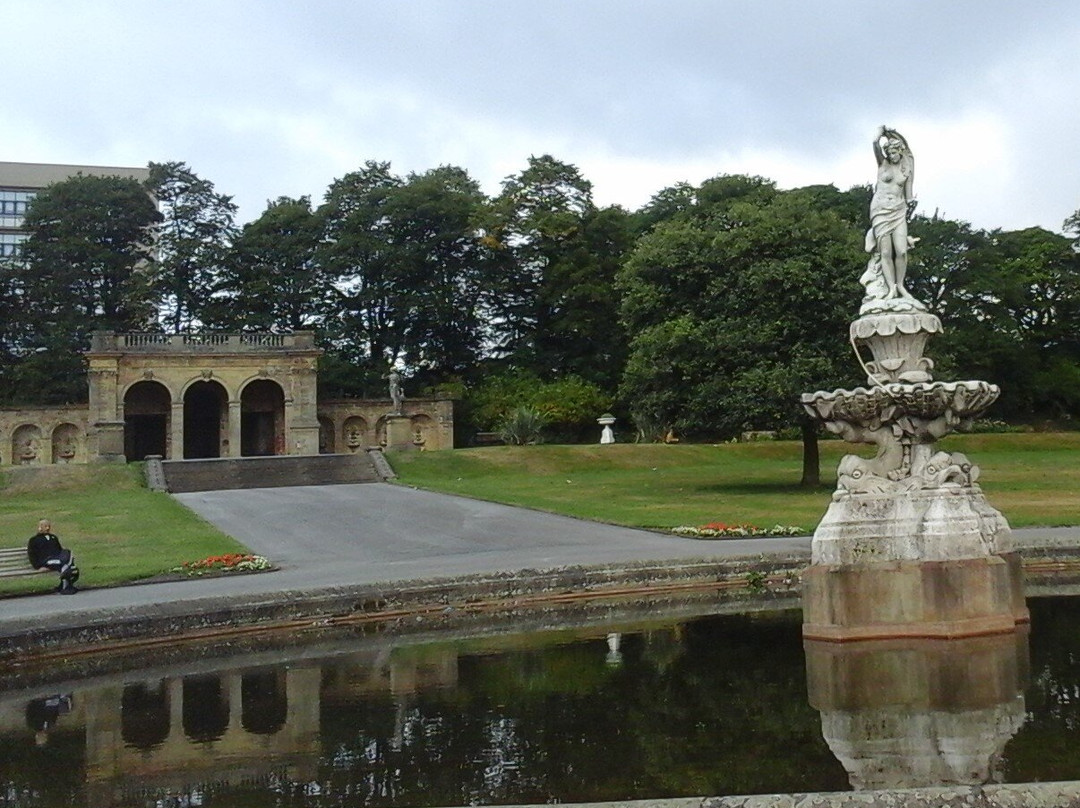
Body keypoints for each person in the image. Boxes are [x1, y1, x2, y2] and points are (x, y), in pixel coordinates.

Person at [866, 126, 917, 300]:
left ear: (900, 152)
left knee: (902, 251)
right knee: (886, 253)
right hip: (880, 211)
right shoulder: (883, 163)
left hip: (898, 210)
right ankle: (891, 289)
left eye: (895, 152)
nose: (892, 155)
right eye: (890, 152)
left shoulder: (906, 170)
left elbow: (909, 152)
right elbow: (875, 143)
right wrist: (882, 132)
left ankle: (901, 285)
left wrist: (896, 135)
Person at [26, 519, 80, 594]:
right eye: (45, 526)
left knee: (66, 555)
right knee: (66, 566)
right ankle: (66, 583)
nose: (47, 528)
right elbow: (32, 555)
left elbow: (60, 551)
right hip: (46, 561)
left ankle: (65, 579)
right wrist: (38, 566)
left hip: (57, 559)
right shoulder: (34, 540)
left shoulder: (53, 538)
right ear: (40, 527)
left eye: (48, 526)